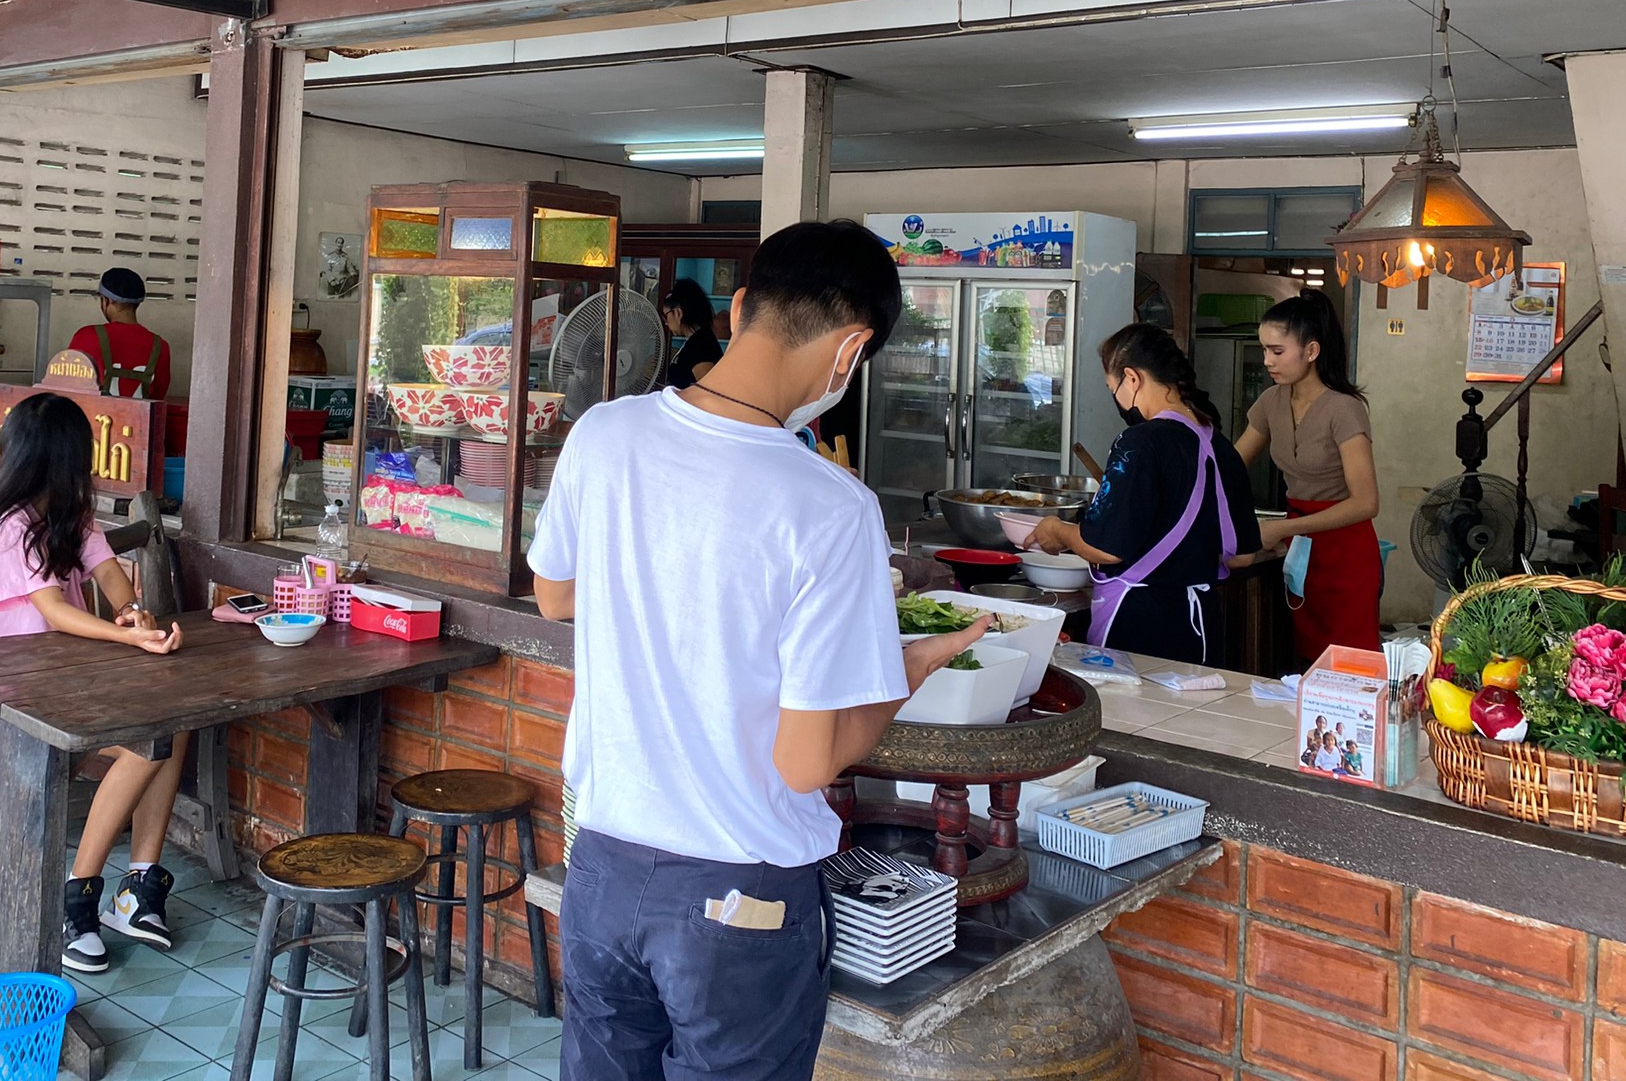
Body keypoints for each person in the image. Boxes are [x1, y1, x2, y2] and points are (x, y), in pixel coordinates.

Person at [531, 219, 985, 1081]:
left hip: (602, 867)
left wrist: (669, 591)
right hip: (739, 894)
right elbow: (807, 761)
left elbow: (556, 594)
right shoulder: (828, 507)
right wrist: (908, 669)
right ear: (852, 350)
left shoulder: (605, 433)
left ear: (739, 307)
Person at [0, 391, 185, 974]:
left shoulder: (65, 516)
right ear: (64, 461)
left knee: (172, 728)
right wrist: (129, 639)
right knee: (142, 742)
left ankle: (135, 891)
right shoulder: (8, 527)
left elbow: (108, 572)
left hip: (61, 682)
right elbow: (54, 611)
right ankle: (75, 898)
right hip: (5, 696)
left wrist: (132, 611)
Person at [1026, 324, 1260, 665]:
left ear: (1131, 378)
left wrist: (1056, 529)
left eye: (1113, 387)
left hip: (1139, 626)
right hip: (1203, 628)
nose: (1116, 399)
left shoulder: (1139, 442)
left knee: (1133, 718)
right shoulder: (1220, 445)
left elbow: (1105, 548)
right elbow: (1241, 556)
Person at [1235, 290, 1381, 667]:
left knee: (1350, 663)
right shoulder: (1271, 402)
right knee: (1303, 658)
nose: (1267, 360)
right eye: (1264, 350)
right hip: (1300, 547)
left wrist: (1283, 529)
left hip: (1346, 553)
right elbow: (1230, 468)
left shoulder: (1344, 409)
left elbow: (1366, 503)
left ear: (1311, 351)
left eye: (1277, 351)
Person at [66, 267, 172, 399]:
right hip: (139, 419)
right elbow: (157, 399)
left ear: (106, 300)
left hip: (91, 418)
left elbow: (67, 390)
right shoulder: (161, 347)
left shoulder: (86, 336)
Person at [660, 278, 723, 390]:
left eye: (666, 316)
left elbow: (707, 393)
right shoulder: (697, 341)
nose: (666, 323)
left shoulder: (700, 346)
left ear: (678, 313)